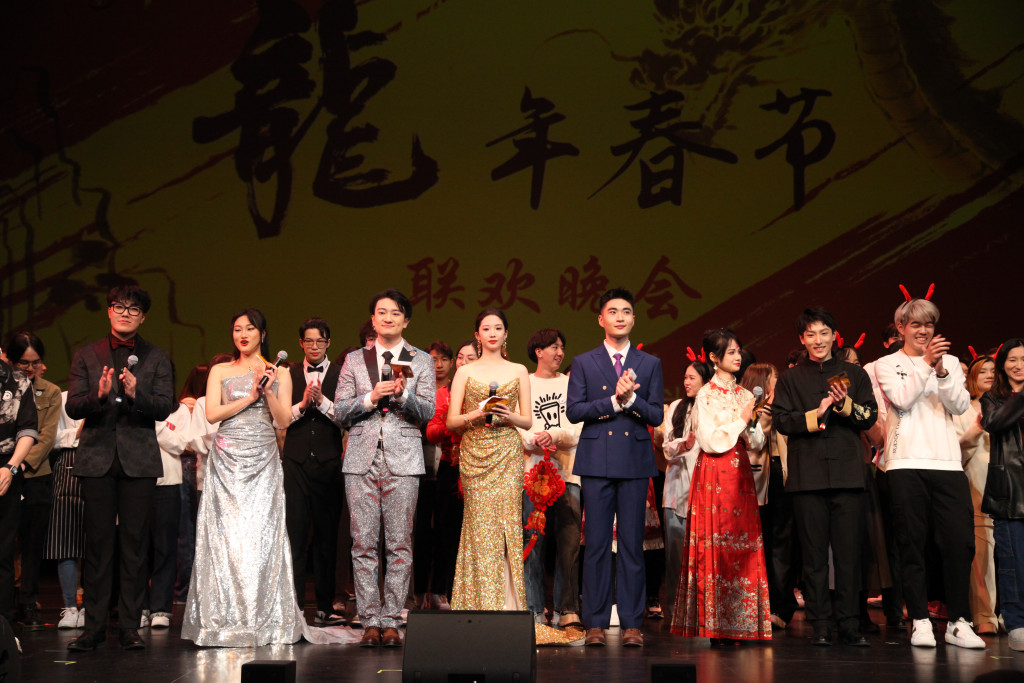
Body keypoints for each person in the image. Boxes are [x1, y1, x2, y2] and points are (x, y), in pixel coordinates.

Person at [66, 284, 174, 652]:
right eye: (118, 306)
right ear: (109, 312)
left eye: (133, 309)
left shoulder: (156, 357)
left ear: (142, 316)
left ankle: (129, 625)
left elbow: (164, 407)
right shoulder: (86, 354)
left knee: (134, 544)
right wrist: (98, 396)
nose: (125, 313)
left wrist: (134, 395)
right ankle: (93, 625)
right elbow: (73, 407)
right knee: (96, 546)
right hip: (96, 458)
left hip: (139, 460)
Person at [874, 295, 983, 649]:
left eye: (929, 324)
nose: (923, 330)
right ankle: (919, 619)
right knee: (911, 543)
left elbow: (960, 403)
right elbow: (903, 399)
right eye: (916, 324)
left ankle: (959, 621)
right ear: (901, 328)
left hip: (948, 462)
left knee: (958, 543)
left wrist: (940, 369)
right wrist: (925, 363)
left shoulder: (949, 362)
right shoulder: (887, 364)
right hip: (905, 462)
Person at [333, 290, 435, 648]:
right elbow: (341, 411)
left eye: (396, 313)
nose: (388, 318)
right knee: (362, 544)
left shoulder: (420, 360)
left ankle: (392, 619)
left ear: (405, 320)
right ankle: (369, 619)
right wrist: (371, 398)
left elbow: (428, 412)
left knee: (399, 543)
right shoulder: (353, 360)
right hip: (360, 458)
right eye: (381, 313)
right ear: (373, 321)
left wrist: (404, 396)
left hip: (404, 459)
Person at [773, 308, 878, 647]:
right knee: (814, 557)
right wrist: (814, 414)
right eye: (811, 335)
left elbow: (868, 416)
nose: (818, 340)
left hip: (848, 476)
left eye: (824, 333)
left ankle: (849, 624)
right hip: (807, 478)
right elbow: (782, 422)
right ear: (802, 339)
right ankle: (820, 625)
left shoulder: (854, 374)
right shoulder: (790, 379)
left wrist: (845, 405)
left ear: (835, 335)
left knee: (849, 555)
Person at [566, 288, 664, 648]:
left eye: (626, 311)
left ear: (634, 319)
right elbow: (574, 410)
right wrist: (613, 402)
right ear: (601, 319)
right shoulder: (584, 361)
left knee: (632, 546)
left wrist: (633, 400)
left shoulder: (649, 363)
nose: (620, 316)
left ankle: (632, 623)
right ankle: (593, 622)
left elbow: (656, 413)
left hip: (636, 461)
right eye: (613, 311)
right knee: (594, 545)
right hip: (596, 460)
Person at [671, 328, 771, 644]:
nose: (738, 356)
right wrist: (742, 419)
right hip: (714, 474)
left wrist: (754, 422)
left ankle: (740, 622)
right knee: (717, 544)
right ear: (714, 358)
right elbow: (712, 441)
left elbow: (755, 442)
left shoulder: (744, 394)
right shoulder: (706, 395)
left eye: (739, 350)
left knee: (741, 547)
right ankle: (714, 624)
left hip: (740, 476)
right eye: (730, 352)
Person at [445, 310, 532, 608]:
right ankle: (476, 603)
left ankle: (509, 605)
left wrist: (510, 416)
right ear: (477, 334)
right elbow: (451, 421)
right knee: (478, 526)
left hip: (508, 452)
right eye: (486, 328)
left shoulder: (519, 369)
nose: (493, 333)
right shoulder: (465, 372)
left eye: (498, 328)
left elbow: (528, 421)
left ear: (506, 333)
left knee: (507, 525)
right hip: (475, 453)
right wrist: (478, 414)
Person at [518, 328, 582, 628]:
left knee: (568, 546)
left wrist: (554, 434)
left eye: (562, 347)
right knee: (534, 545)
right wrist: (534, 440)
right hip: (532, 476)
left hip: (567, 475)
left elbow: (578, 427)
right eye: (553, 347)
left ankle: (566, 609)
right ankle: (533, 610)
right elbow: (516, 424)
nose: (559, 353)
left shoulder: (572, 384)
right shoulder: (525, 384)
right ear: (538, 351)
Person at [283, 317, 345, 627]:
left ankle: (324, 607)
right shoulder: (288, 373)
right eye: (309, 342)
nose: (315, 347)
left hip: (329, 462)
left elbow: (347, 418)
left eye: (320, 342)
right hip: (294, 462)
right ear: (301, 344)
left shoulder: (341, 374)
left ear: (328, 343)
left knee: (326, 537)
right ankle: (293, 607)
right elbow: (280, 418)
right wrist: (302, 404)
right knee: (294, 535)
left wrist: (322, 404)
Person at [4, 333, 60, 631]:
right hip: (2, 475)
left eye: (34, 362)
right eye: (22, 363)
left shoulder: (49, 392)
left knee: (31, 542)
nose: (29, 369)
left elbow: (47, 436)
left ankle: (28, 601)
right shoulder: (5, 388)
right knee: (5, 543)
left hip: (33, 475)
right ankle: (7, 600)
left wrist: (16, 465)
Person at [656, 360, 712, 621]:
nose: (687, 382)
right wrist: (684, 443)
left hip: (706, 490)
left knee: (703, 553)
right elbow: (667, 446)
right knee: (676, 555)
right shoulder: (677, 407)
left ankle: (703, 608)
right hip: (676, 490)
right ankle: (677, 610)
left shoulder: (713, 408)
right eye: (685, 377)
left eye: (692, 378)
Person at [423, 340, 476, 610]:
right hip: (451, 468)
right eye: (461, 357)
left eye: (471, 358)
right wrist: (454, 424)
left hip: (483, 468)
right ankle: (442, 591)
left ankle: (473, 591)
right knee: (447, 532)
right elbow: (431, 433)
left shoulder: (487, 391)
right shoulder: (446, 393)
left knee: (477, 534)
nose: (464, 362)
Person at [980, 339, 1024, 651]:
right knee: (1013, 562)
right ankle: (1017, 621)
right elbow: (995, 423)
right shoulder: (992, 399)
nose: (1018, 365)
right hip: (1011, 493)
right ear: (1002, 364)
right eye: (1012, 359)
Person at [953, 354, 998, 635]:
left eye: (995, 370)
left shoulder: (1012, 408)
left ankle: (1009, 612)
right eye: (984, 371)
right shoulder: (963, 411)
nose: (990, 375)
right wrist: (978, 426)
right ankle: (984, 614)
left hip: (1011, 487)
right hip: (978, 486)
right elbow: (956, 448)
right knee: (982, 554)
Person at [0, 342, 39, 631]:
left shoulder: (17, 380)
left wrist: (10, 467)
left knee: (2, 554)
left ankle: (2, 629)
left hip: (4, 471)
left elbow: (27, 429)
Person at [46, 391, 86, 629]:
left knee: (97, 546)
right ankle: (70, 607)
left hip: (101, 466)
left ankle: (92, 607)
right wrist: (77, 434)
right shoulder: (60, 398)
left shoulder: (109, 396)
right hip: (66, 466)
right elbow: (50, 437)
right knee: (66, 542)